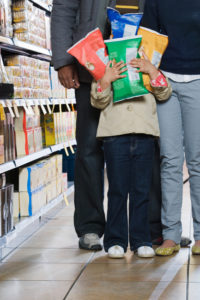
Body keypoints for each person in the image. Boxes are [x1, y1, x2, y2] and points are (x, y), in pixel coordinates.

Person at [91, 53, 172, 258]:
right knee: (117, 190)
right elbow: (98, 101)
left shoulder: (148, 58)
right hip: (114, 134)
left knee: (142, 190)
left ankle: (141, 240)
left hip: (145, 133)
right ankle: (115, 240)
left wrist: (152, 70)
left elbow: (164, 93)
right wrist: (106, 79)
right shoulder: (105, 62)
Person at [51, 0, 116, 251]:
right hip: (89, 66)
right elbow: (64, 10)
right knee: (89, 148)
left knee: (144, 147)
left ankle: (152, 227)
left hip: (134, 66)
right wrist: (63, 60)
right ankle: (90, 226)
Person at [142, 0, 200, 256]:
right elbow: (148, 38)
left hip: (198, 80)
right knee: (170, 158)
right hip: (164, 81)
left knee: (197, 161)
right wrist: (153, 73)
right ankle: (171, 235)